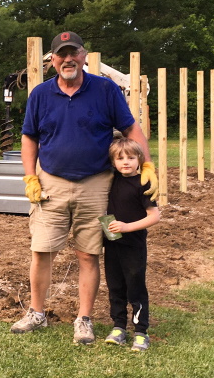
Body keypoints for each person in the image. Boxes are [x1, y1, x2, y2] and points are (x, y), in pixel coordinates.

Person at [10, 31, 156, 344]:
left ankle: (84, 319)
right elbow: (29, 137)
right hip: (52, 183)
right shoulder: (40, 95)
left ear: (84, 55)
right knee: (41, 251)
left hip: (96, 185)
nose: (68, 59)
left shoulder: (104, 90)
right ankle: (37, 313)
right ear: (52, 61)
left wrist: (146, 165)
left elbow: (130, 128)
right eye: (61, 55)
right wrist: (30, 177)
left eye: (73, 53)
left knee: (88, 254)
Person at [101, 137, 161, 352]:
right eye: (120, 158)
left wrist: (127, 227)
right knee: (115, 286)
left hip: (134, 245)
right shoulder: (110, 180)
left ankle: (140, 331)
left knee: (135, 287)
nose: (125, 162)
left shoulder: (143, 183)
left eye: (131, 157)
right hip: (112, 244)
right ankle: (118, 327)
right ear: (113, 162)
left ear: (140, 160)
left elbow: (154, 216)